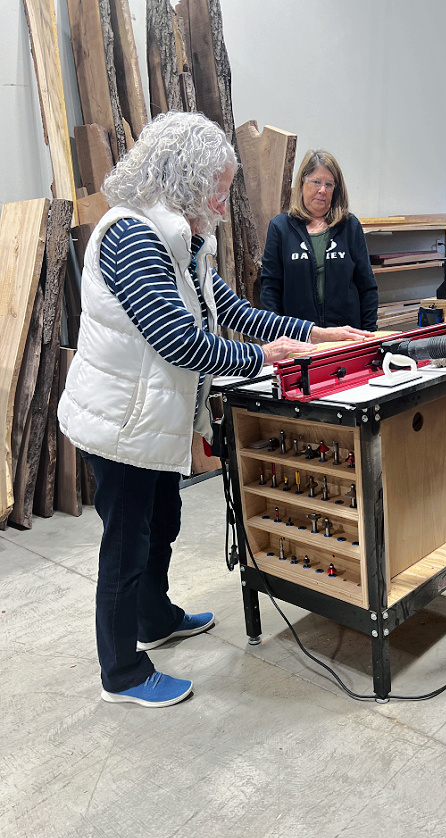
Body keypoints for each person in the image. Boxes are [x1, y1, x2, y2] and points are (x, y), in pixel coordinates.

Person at [57, 112, 371, 709]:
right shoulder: (131, 235)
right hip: (118, 422)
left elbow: (233, 313)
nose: (225, 203)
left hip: (149, 421)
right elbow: (177, 339)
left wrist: (315, 335)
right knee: (126, 542)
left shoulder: (185, 242)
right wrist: (261, 361)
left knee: (161, 524)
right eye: (219, 188)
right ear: (187, 179)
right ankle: (120, 672)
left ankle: (155, 619)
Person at [260, 150, 379, 331]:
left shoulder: (350, 226)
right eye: (316, 182)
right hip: (299, 339)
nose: (322, 190)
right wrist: (277, 336)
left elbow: (367, 287)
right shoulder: (280, 228)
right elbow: (270, 289)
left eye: (329, 184)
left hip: (347, 337)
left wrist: (369, 334)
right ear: (303, 182)